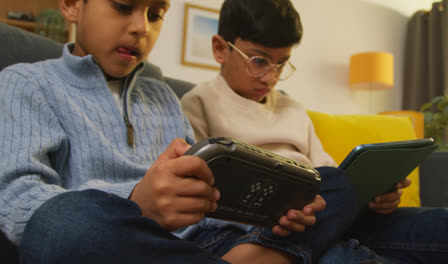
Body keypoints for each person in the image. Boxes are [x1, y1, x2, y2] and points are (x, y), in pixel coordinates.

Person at [0, 0, 359, 263]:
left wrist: (273, 209)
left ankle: (258, 250)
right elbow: (17, 201)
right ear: (71, 5)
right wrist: (137, 200)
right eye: (124, 6)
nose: (142, 28)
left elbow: (206, 188)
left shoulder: (164, 96)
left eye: (156, 14)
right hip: (130, 244)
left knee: (335, 183)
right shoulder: (25, 83)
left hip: (213, 239)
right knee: (57, 223)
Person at [181, 0, 448, 263]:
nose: (271, 76)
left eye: (281, 63)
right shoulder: (198, 103)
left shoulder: (293, 108)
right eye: (259, 61)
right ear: (220, 49)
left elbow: (331, 177)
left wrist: (374, 196)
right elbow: (201, 196)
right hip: (267, 229)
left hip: (331, 215)